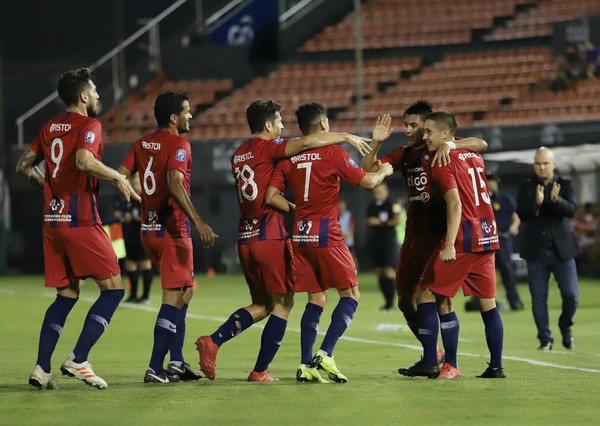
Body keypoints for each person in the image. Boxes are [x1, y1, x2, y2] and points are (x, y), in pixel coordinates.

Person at [195, 99, 372, 382]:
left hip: (245, 238)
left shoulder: (238, 153)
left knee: (262, 304)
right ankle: (259, 370)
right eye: (278, 121)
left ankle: (214, 342)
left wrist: (294, 208)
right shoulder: (271, 149)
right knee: (284, 303)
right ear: (267, 125)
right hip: (270, 237)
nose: (282, 127)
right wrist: (346, 136)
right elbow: (304, 144)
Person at [16, 67, 139, 390]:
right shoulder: (89, 124)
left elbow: (23, 166)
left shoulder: (48, 127)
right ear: (83, 96)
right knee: (113, 289)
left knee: (67, 294)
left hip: (53, 222)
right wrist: (118, 176)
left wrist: (50, 189)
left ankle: (41, 368)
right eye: (95, 91)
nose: (98, 95)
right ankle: (79, 358)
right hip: (81, 219)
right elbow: (84, 161)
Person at [266, 102, 394, 383]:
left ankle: (304, 364)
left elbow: (271, 196)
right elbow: (369, 182)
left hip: (300, 234)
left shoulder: (288, 158)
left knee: (316, 298)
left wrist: (298, 211)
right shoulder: (333, 152)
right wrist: (385, 170)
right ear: (324, 125)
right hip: (327, 234)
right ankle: (325, 352)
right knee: (351, 295)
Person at [361, 100, 488, 367]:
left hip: (440, 236)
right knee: (406, 302)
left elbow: (481, 143)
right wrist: (376, 144)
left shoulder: (443, 148)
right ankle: (433, 353)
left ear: (429, 127)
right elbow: (368, 169)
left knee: (438, 300)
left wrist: (454, 144)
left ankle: (434, 360)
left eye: (413, 125)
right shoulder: (405, 155)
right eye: (405, 125)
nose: (407, 130)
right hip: (413, 238)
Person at [118, 90, 217, 383]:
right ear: (174, 118)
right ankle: (153, 367)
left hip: (148, 230)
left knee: (185, 292)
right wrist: (198, 222)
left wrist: (141, 203)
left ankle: (176, 361)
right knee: (172, 298)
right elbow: (175, 183)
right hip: (173, 231)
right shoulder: (179, 144)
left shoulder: (141, 143)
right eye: (187, 111)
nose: (191, 116)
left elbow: (121, 177)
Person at [399, 110, 505, 379]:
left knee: (424, 294)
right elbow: (481, 143)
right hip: (488, 233)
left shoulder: (442, 160)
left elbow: (455, 204)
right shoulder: (473, 154)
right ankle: (495, 367)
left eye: (429, 132)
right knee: (487, 304)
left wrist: (449, 245)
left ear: (446, 134)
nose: (425, 136)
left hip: (464, 238)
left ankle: (448, 364)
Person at [516, 147, 580, 351]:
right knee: (538, 299)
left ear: (554, 164)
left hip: (563, 250)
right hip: (536, 252)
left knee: (571, 295)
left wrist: (556, 201)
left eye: (545, 163)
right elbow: (522, 214)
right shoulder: (527, 186)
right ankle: (545, 339)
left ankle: (565, 326)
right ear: (534, 165)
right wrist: (537, 203)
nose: (542, 167)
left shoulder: (566, 184)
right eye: (538, 163)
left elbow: (571, 210)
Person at [465, 172, 524, 311]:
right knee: (481, 272)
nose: (489, 184)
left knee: (507, 271)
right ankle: (478, 302)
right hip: (484, 239)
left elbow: (515, 216)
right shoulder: (479, 198)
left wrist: (513, 227)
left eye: (492, 181)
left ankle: (514, 301)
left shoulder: (505, 198)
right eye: (487, 181)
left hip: (502, 238)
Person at [114, 173, 154, 304]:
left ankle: (146, 296)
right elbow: (118, 211)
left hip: (142, 236)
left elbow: (151, 216)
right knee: (130, 264)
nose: (135, 184)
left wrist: (133, 217)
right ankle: (133, 295)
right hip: (128, 234)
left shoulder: (146, 197)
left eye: (138, 182)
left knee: (144, 263)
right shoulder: (126, 196)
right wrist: (122, 215)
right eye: (133, 182)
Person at [366, 182, 401, 311]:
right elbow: (367, 220)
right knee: (380, 272)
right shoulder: (372, 205)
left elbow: (397, 220)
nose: (377, 194)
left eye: (380, 192)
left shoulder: (393, 203)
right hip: (376, 241)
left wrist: (380, 222)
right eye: (375, 192)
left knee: (389, 271)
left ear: (386, 191)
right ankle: (386, 303)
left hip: (388, 241)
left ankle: (391, 304)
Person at [338, 199, 358, 268]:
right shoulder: (336, 216)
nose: (341, 207)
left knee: (352, 255)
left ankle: (356, 270)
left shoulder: (348, 215)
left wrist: (350, 234)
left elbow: (352, 225)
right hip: (340, 239)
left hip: (348, 239)